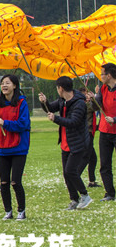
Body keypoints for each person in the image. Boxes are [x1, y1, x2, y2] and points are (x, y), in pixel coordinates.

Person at [40, 77, 92, 210]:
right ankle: (74, 199)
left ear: (61, 88)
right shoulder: (62, 100)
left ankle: (85, 195)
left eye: (57, 88)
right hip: (65, 142)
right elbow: (50, 108)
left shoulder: (79, 103)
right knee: (66, 173)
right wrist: (44, 102)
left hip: (78, 142)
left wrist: (56, 119)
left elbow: (73, 122)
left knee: (71, 171)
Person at [0, 74, 31, 220]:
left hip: (18, 148)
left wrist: (6, 123)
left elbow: (23, 124)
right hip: (3, 148)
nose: (4, 85)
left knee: (15, 181)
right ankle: (8, 211)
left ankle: (21, 211)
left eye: (7, 83)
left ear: (15, 86)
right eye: (2, 83)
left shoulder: (21, 103)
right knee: (4, 182)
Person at [92, 62, 116, 201]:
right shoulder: (102, 89)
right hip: (105, 132)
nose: (100, 76)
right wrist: (92, 100)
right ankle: (110, 193)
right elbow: (96, 107)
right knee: (105, 165)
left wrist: (114, 119)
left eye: (102, 74)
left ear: (109, 75)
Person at [82, 89, 99, 188]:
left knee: (93, 158)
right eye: (86, 95)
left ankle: (92, 181)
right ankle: (75, 177)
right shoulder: (85, 105)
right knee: (86, 158)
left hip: (90, 132)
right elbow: (95, 107)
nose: (88, 96)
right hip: (87, 133)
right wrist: (94, 98)